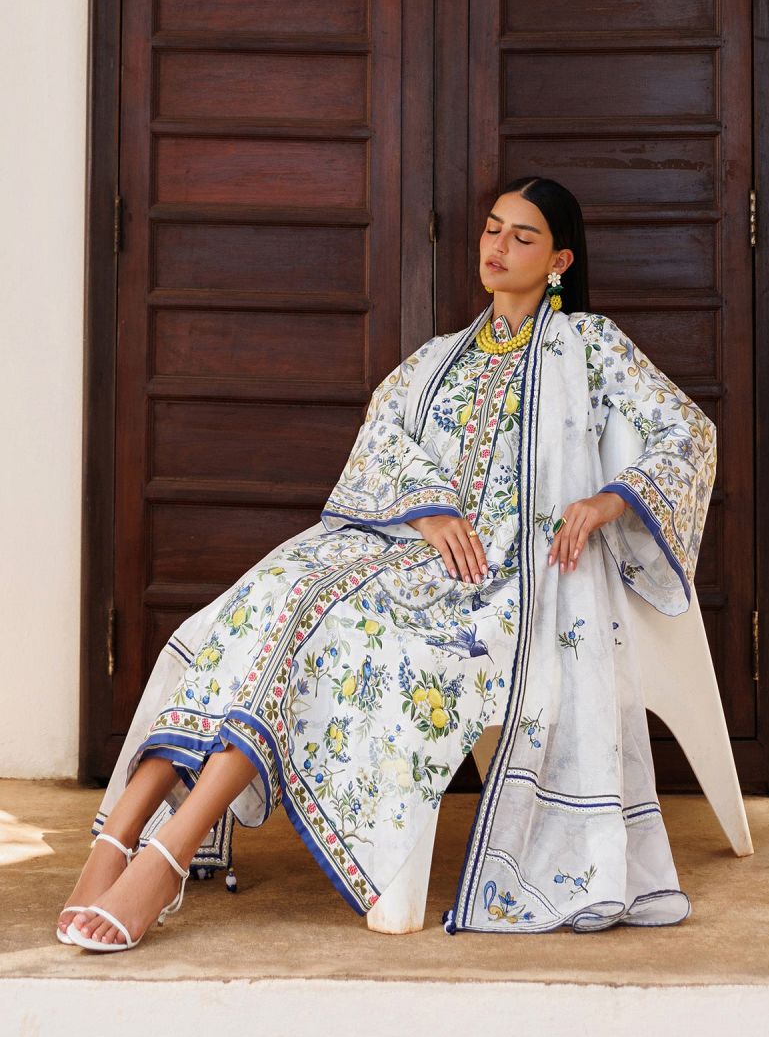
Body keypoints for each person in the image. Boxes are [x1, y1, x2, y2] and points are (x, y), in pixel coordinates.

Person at [59, 175, 716, 950]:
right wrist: (428, 509)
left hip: (502, 584)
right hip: (399, 552)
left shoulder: (593, 348)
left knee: (319, 625)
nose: (498, 246)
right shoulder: (438, 360)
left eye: (523, 236)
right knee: (268, 596)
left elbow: (688, 434)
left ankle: (163, 854)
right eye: (492, 229)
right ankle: (120, 838)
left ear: (559, 260)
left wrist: (605, 501)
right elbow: (382, 439)